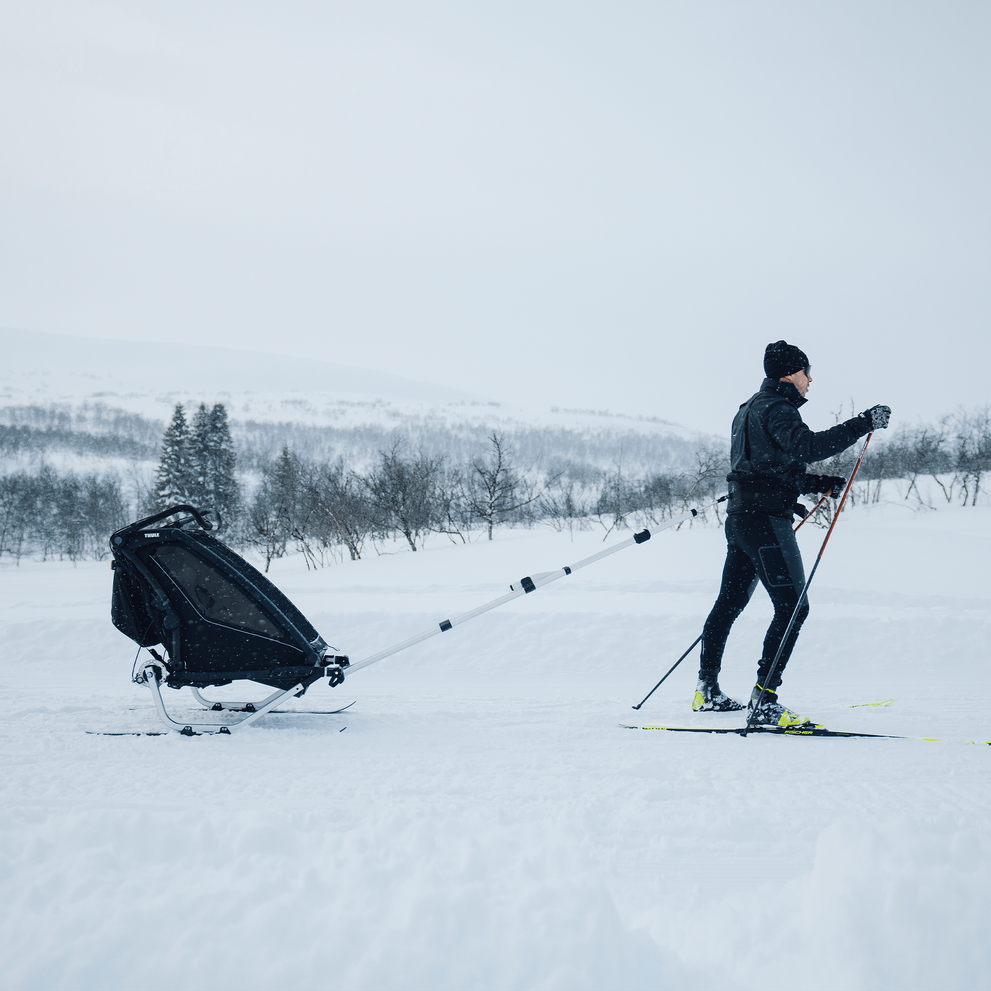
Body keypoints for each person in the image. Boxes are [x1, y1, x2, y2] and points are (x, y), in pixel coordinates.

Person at [693, 340, 890, 726]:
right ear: (789, 373)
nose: (810, 380)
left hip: (742, 520)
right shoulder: (779, 408)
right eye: (806, 373)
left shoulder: (748, 409)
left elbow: (766, 467)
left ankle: (707, 690)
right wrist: (863, 422)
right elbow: (809, 445)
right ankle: (764, 700)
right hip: (765, 521)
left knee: (728, 605)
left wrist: (814, 483)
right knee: (794, 606)